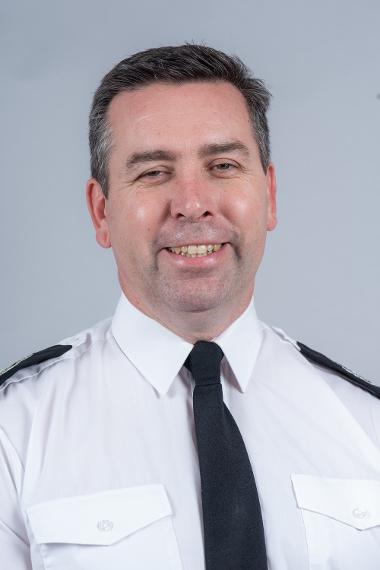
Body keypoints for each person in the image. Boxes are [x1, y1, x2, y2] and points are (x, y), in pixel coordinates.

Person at [1, 44, 379, 570]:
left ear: (269, 193)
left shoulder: (366, 423)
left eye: (223, 165)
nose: (192, 202)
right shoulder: (13, 432)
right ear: (101, 211)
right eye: (154, 172)